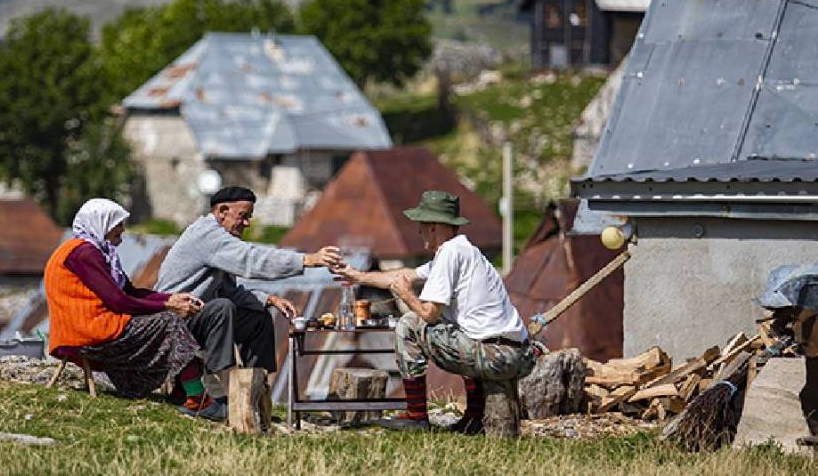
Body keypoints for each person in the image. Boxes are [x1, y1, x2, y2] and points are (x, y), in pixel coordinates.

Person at [333, 190, 536, 435]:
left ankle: (416, 414)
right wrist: (358, 276)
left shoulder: (450, 253)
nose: (418, 232)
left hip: (496, 355)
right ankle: (473, 417)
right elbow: (404, 275)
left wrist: (407, 295)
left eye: (421, 226)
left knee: (409, 324)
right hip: (515, 353)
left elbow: (428, 313)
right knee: (460, 329)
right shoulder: (460, 250)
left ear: (433, 227)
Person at [44, 198, 225, 420]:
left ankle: (183, 391)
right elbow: (118, 302)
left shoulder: (95, 251)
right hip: (89, 332)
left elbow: (130, 292)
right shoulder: (84, 254)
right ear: (101, 224)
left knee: (168, 318)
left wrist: (173, 298)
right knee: (170, 321)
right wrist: (167, 305)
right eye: (116, 225)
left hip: (92, 327)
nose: (122, 230)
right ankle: (198, 399)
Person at [155, 186, 342, 389]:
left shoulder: (220, 240)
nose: (246, 223)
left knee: (257, 318)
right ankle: (215, 389)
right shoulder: (208, 235)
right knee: (221, 308)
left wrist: (268, 300)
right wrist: (307, 259)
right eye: (243, 216)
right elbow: (252, 260)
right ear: (222, 212)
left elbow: (227, 290)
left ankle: (254, 388)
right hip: (174, 320)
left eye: (249, 217)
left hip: (197, 316)